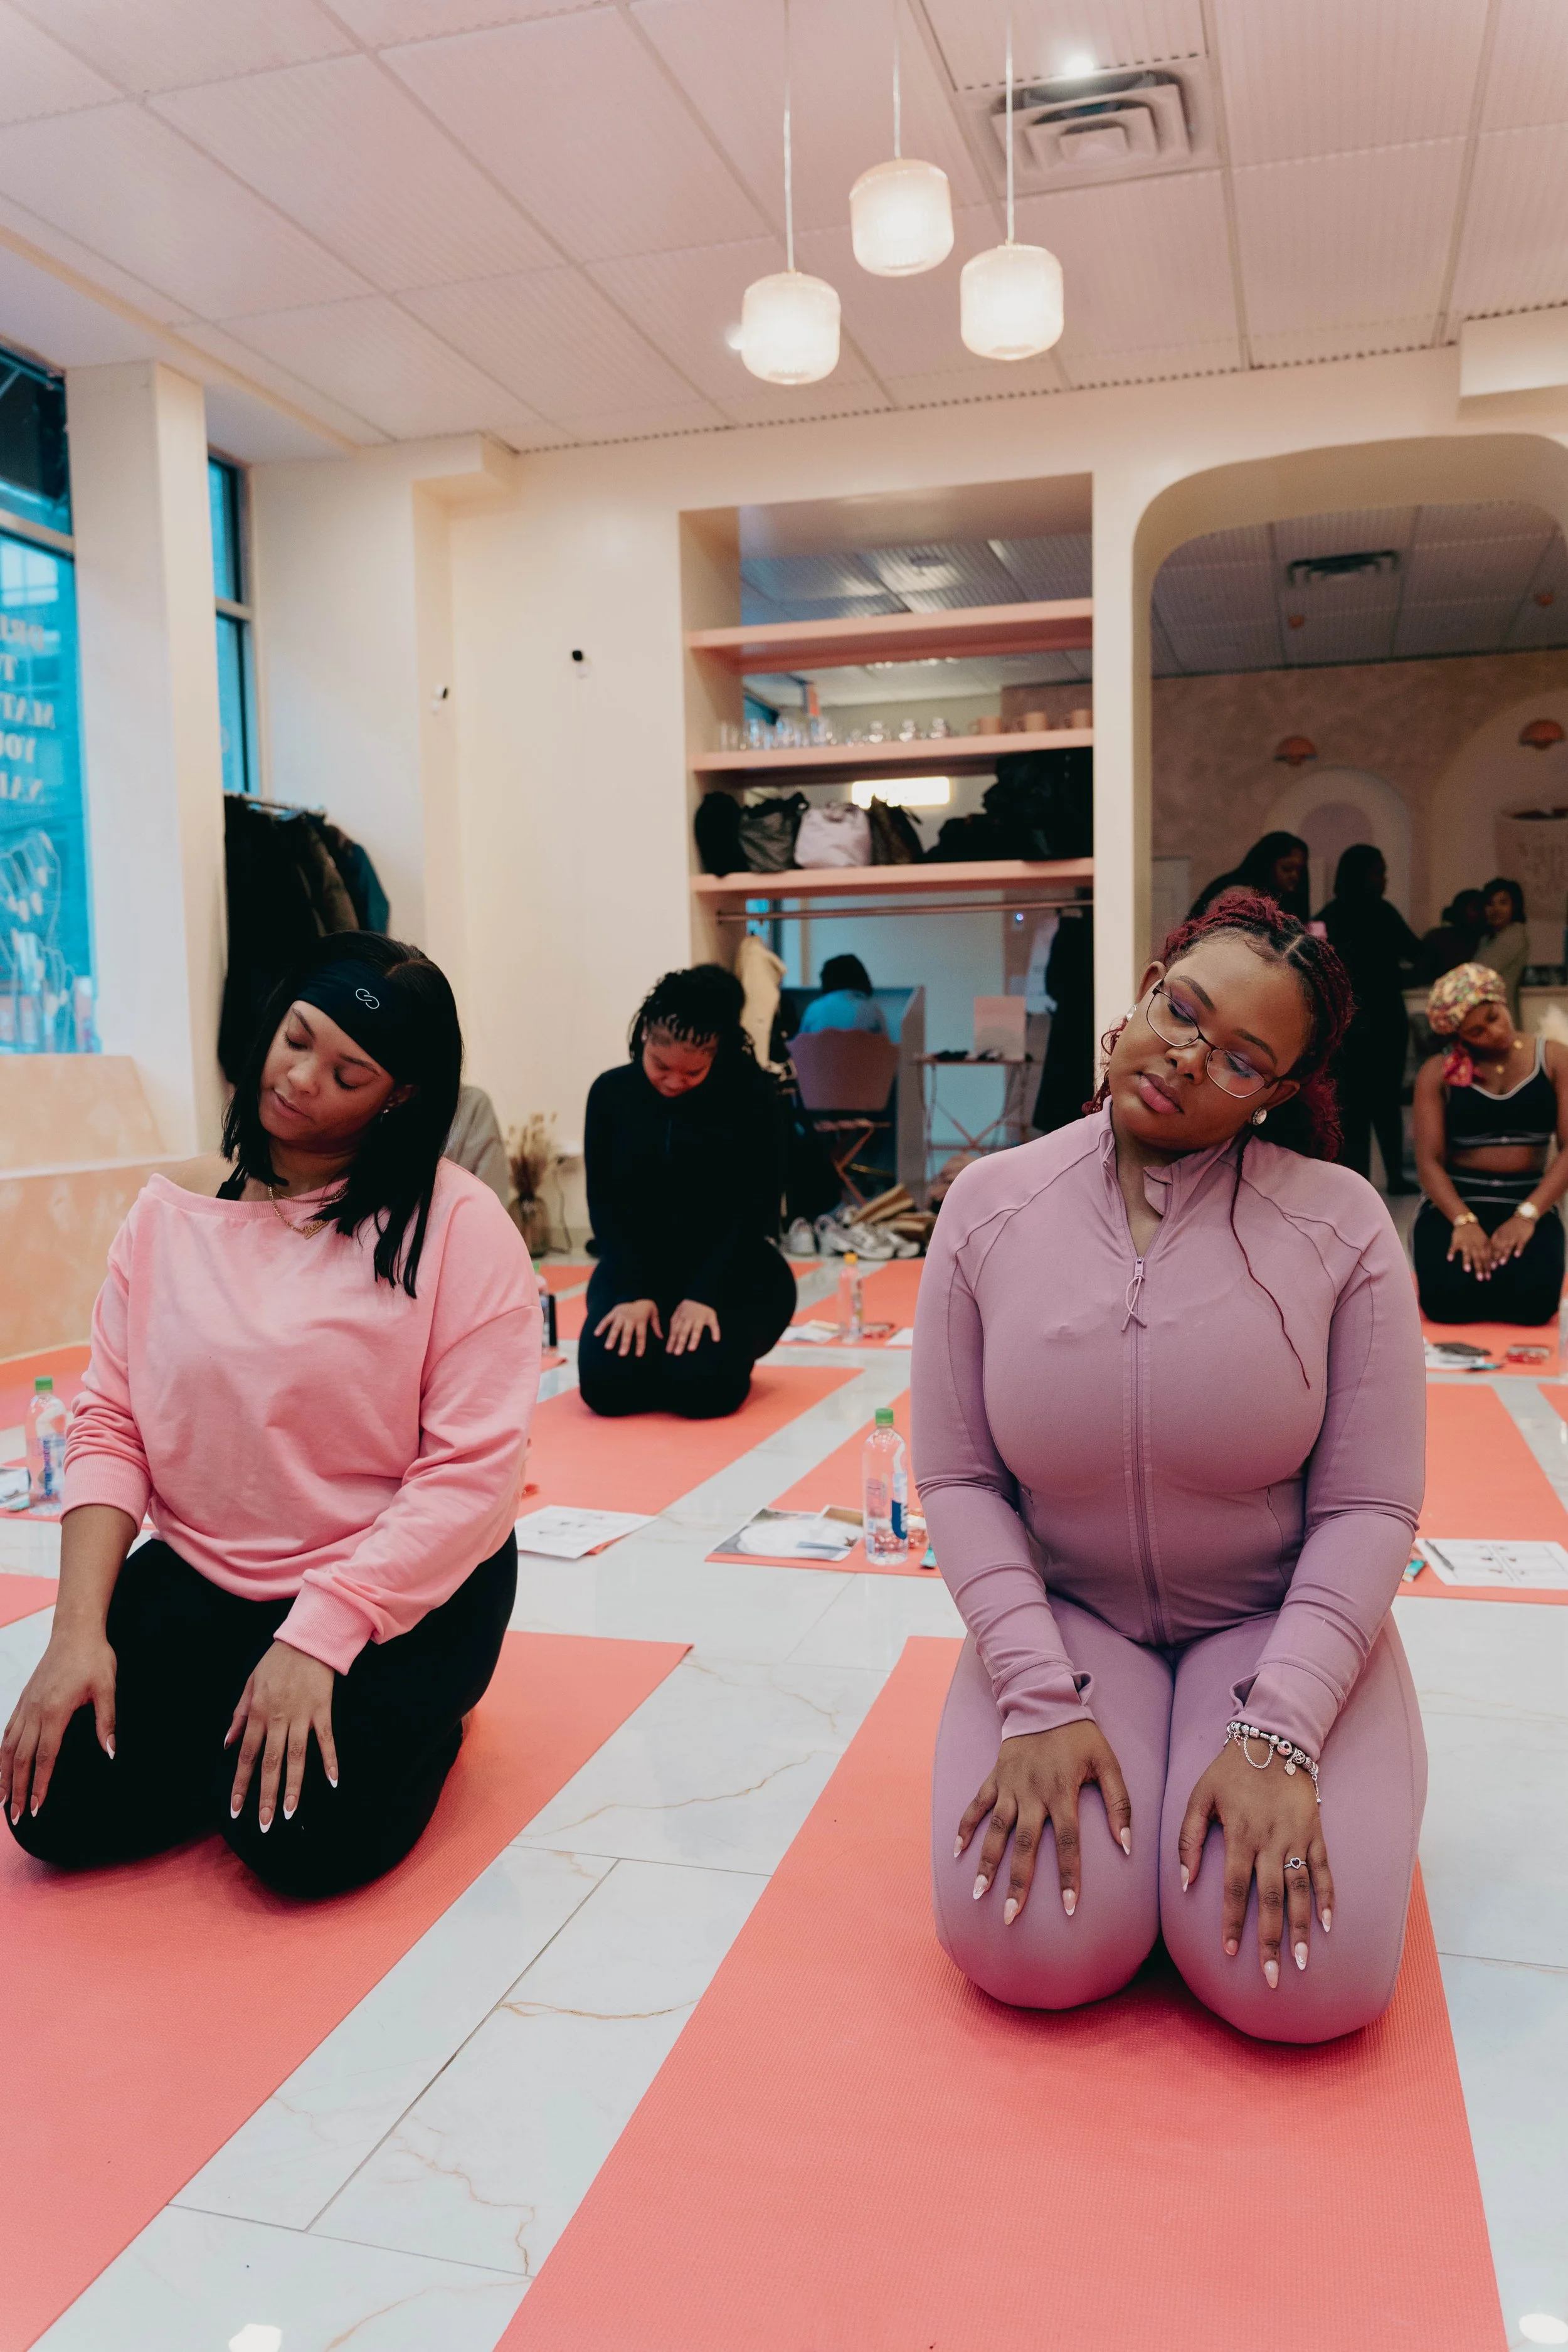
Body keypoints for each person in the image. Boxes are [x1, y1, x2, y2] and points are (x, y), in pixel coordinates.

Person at [914, 893, 1426, 2045]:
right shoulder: (992, 1206)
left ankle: (1341, 1757)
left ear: (1282, 1094)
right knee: (1029, 1945)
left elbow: (1368, 1502)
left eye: (1241, 1058)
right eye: (1180, 1010)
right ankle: (1138, 1812)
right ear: (1145, 988)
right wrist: (1035, 1697)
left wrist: (1285, 1729)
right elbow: (957, 1480)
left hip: (1268, 1622)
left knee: (1310, 1980)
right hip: (1072, 1620)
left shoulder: (1341, 1227)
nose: (1186, 1059)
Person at [1, 936, 541, 1899]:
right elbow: (110, 1426)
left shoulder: (458, 1228)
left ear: (401, 1096)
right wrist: (76, 1631)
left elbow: (470, 1477)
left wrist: (317, 1636)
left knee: (298, 1842)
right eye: (295, 1038)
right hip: (215, 1570)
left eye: (348, 1072)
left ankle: (429, 1710)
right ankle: (230, 1721)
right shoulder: (165, 1226)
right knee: (51, 1806)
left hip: (399, 1589)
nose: (298, 1079)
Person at [578, 965, 795, 1420]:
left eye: (692, 1072)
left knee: (702, 1391)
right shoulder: (610, 1094)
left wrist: (706, 1296)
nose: (674, 1082)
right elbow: (604, 1207)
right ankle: (660, 1346)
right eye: (660, 1066)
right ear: (643, 1039)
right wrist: (633, 1293)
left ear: (718, 1052)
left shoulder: (753, 1097)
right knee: (607, 1389)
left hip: (735, 1270)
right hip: (635, 1268)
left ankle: (704, 1349)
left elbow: (755, 1211)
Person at [1412, 963, 1568, 1326]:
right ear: (1459, 1037)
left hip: (1529, 1199)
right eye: (1477, 1031)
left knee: (1536, 1307)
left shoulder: (1555, 1059)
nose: (1494, 1033)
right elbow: (1429, 1163)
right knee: (1445, 1306)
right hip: (1456, 1201)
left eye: (1495, 1017)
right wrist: (1463, 1221)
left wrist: (1527, 1216)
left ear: (1502, 1001)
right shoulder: (1438, 1073)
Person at [1317, 842, 1421, 1189]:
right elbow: (1419, 955)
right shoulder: (1382, 912)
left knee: (1352, 1106)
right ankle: (1394, 1177)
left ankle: (1356, 1182)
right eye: (1379, 871)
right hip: (1386, 1018)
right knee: (1387, 1102)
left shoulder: (1328, 914)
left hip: (1347, 1023)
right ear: (1363, 874)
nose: (1384, 880)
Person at [1189, 832, 1311, 924]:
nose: (1295, 876)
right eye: (1287, 868)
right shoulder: (1237, 894)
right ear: (1267, 865)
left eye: (1300, 871)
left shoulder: (1288, 901)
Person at [795, 953, 889, 1037]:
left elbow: (801, 1048)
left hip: (820, 1056)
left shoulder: (814, 1009)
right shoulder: (872, 1010)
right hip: (862, 1056)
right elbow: (885, 1050)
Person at [1478, 876, 1529, 1026]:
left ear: (1515, 906)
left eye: (1503, 903)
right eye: (1490, 904)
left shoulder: (1515, 935)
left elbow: (1479, 972)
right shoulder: (1487, 939)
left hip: (1500, 1016)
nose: (1496, 909)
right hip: (1489, 1015)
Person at [1416, 889, 1486, 987]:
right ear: (1460, 911)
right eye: (1477, 909)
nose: (1484, 914)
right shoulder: (1438, 939)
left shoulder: (1488, 940)